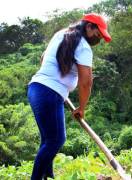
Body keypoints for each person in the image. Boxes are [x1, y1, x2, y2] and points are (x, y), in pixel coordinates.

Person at [27, 13, 111, 180]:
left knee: (48, 140)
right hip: (49, 93)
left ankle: (47, 176)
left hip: (36, 89)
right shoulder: (83, 45)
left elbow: (43, 58)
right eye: (98, 33)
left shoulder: (61, 34)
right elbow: (86, 82)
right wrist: (81, 108)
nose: (99, 38)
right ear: (89, 27)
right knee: (56, 139)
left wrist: (58, 83)